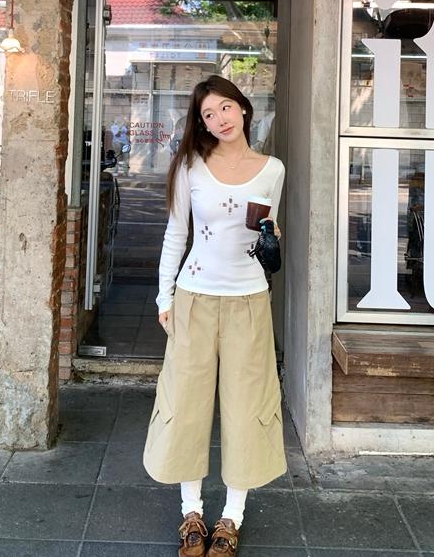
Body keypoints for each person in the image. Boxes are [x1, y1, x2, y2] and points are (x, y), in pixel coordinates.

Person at [143, 74, 286, 556]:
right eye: (208, 114)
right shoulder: (191, 166)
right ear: (201, 123)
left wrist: (273, 240)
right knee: (187, 403)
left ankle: (231, 517)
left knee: (247, 406)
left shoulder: (272, 169)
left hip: (249, 299)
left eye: (225, 107)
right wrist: (164, 298)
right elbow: (175, 234)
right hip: (195, 296)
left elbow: (267, 233)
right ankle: (192, 513)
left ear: (242, 108)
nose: (219, 119)